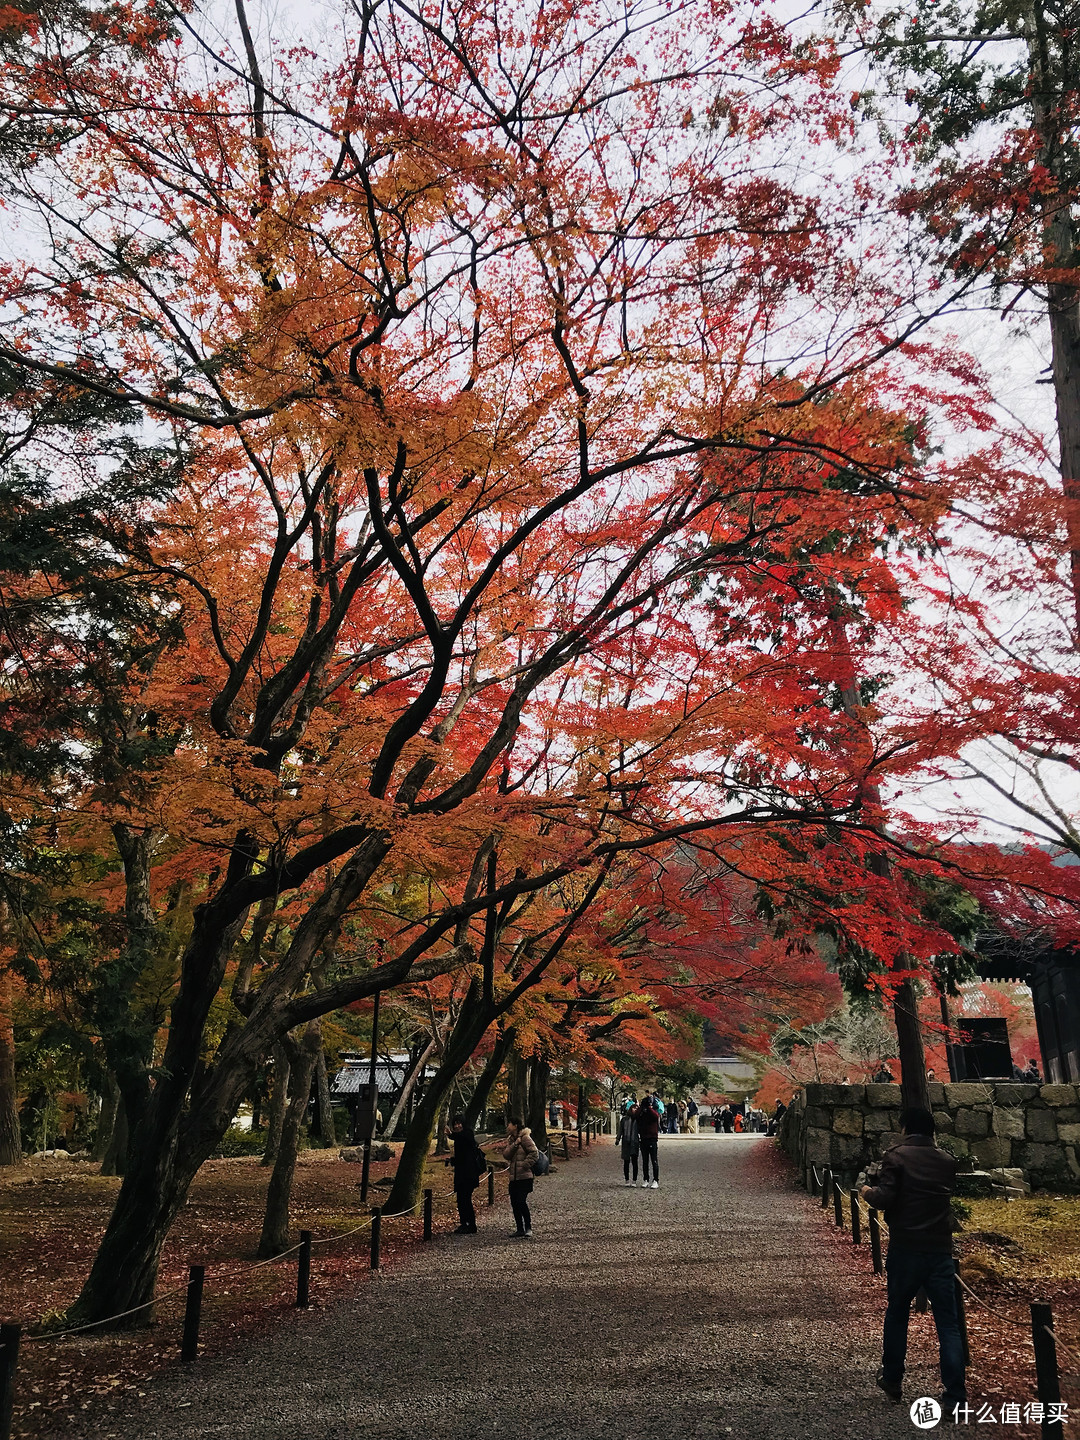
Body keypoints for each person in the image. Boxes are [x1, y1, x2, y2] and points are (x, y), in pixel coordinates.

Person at [861, 1106, 967, 1412]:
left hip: (906, 1247)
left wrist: (867, 1190)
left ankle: (893, 1378)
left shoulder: (896, 1156)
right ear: (932, 1131)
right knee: (948, 1324)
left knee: (897, 1313)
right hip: (939, 1250)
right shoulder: (947, 1161)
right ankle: (955, 1396)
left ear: (906, 1127)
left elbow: (885, 1198)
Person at [447, 1113, 486, 1234]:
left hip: (469, 1175)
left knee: (465, 1199)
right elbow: (462, 1155)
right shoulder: (459, 1138)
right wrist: (452, 1161)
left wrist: (451, 1135)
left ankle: (471, 1224)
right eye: (455, 1124)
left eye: (459, 1123)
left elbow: (463, 1137)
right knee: (461, 1199)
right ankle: (464, 1223)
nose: (457, 1126)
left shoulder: (468, 1133)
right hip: (461, 1173)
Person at [503, 1116, 540, 1238]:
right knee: (514, 1203)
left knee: (521, 1201)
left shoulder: (525, 1138)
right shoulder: (511, 1140)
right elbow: (506, 1155)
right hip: (514, 1177)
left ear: (515, 1125)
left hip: (525, 1176)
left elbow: (534, 1153)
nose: (508, 1126)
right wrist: (515, 1144)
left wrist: (525, 1165)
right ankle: (519, 1228)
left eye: (509, 1124)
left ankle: (528, 1227)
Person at [631, 1094, 660, 1187]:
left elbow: (656, 1116)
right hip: (643, 1138)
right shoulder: (641, 1113)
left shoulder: (653, 1112)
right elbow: (636, 1115)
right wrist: (642, 1108)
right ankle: (646, 1179)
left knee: (654, 1160)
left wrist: (648, 1108)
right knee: (645, 1161)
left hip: (652, 1138)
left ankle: (655, 1179)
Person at [616, 1101, 640, 1185]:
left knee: (634, 1162)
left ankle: (634, 1180)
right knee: (626, 1162)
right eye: (634, 1108)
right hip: (626, 1141)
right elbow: (620, 1130)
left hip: (635, 1142)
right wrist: (618, 1139)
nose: (635, 1110)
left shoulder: (638, 1120)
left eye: (637, 1108)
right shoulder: (624, 1119)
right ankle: (627, 1179)